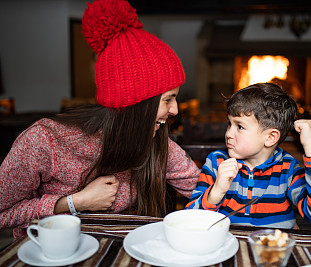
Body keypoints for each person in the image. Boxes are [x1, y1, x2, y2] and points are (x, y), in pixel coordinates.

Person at [0, 0, 200, 239]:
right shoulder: (45, 140)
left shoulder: (156, 142)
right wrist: (73, 203)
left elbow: (202, 188)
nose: (175, 110)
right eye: (168, 99)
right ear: (137, 104)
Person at [186, 83, 311, 228]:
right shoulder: (216, 162)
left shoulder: (287, 168)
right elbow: (191, 220)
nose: (228, 134)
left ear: (271, 137)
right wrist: (216, 191)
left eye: (239, 126)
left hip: (273, 252)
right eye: (229, 124)